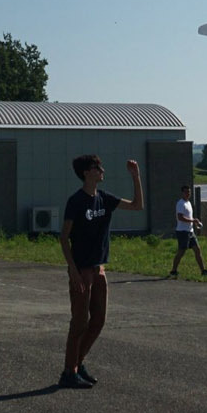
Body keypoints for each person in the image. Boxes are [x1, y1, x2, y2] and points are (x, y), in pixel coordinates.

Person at [57, 154, 143, 389]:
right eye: (97, 167)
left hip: (98, 269)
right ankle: (68, 372)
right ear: (87, 172)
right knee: (79, 322)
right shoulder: (76, 201)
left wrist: (136, 177)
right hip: (81, 269)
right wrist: (72, 271)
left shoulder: (104, 199)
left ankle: (78, 364)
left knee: (98, 320)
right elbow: (64, 238)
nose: (102, 170)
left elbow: (137, 205)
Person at [168, 184, 207, 278]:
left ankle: (203, 270)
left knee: (197, 250)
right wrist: (193, 220)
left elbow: (188, 217)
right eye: (186, 191)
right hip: (182, 231)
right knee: (181, 251)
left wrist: (195, 221)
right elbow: (180, 217)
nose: (188, 193)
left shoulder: (188, 203)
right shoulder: (181, 203)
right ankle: (173, 270)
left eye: (189, 191)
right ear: (182, 193)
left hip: (190, 231)